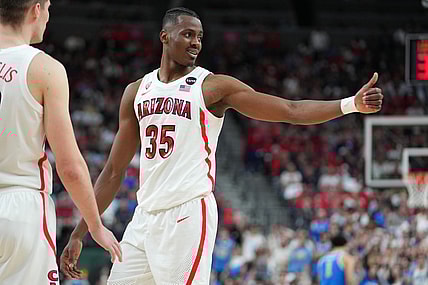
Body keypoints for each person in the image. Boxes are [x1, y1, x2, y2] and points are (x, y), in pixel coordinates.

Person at [60, 7, 384, 285]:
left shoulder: (212, 87)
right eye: (187, 35)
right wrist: (79, 233)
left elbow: (290, 110)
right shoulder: (136, 91)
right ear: (164, 37)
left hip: (188, 213)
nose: (196, 43)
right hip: (144, 217)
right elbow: (114, 171)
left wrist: (349, 104)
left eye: (199, 37)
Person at [0, 1, 122, 284]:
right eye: (49, 8)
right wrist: (94, 225)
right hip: (20, 205)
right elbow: (69, 166)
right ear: (36, 9)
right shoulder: (45, 69)